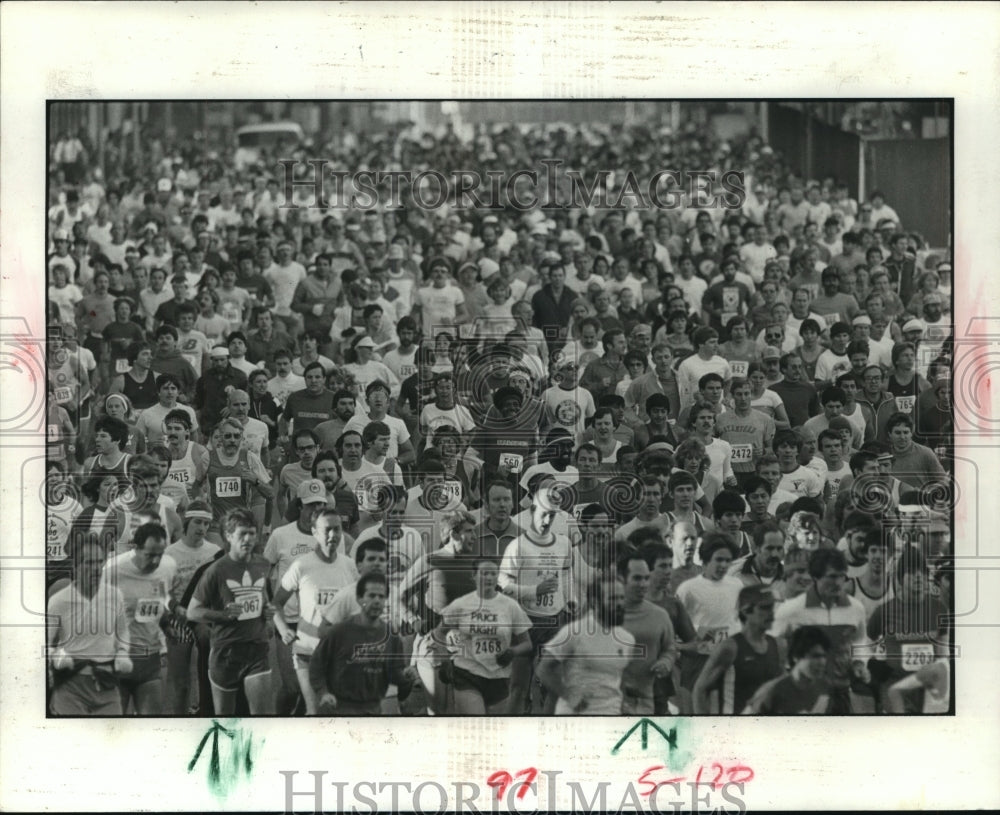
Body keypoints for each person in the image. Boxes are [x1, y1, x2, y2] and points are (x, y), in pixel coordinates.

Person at [271, 507, 359, 714]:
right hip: (307, 652)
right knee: (316, 712)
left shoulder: (349, 566)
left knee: (338, 712)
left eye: (337, 529)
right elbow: (276, 603)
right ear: (314, 532)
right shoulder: (301, 566)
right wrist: (283, 629)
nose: (333, 535)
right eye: (327, 529)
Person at [187, 507, 274, 715]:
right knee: (225, 721)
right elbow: (192, 612)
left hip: (257, 649)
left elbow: (263, 596)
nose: (248, 539)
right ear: (228, 536)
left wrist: (268, 615)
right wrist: (222, 615)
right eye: (242, 534)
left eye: (252, 533)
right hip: (226, 653)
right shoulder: (215, 570)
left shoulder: (263, 564)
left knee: (261, 718)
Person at [770, 548, 870, 713]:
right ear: (815, 576)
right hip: (804, 693)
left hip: (841, 692)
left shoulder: (856, 608)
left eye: (841, 576)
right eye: (832, 576)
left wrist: (859, 662)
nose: (838, 583)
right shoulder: (792, 609)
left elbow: (860, 640)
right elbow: (771, 641)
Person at [432, 555, 534, 714]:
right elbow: (439, 633)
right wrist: (444, 660)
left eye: (493, 573)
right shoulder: (462, 604)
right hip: (467, 673)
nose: (489, 578)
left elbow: (527, 644)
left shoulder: (510, 606)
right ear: (473, 576)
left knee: (494, 727)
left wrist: (513, 651)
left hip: (499, 677)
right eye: (484, 573)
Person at [48, 533, 133, 715]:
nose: (96, 568)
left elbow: (122, 632)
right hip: (71, 686)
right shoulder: (59, 601)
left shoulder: (114, 596)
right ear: (76, 566)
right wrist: (58, 656)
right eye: (89, 562)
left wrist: (122, 652)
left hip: (106, 684)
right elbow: (45, 643)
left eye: (99, 562)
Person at [309, 573, 415, 715]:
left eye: (381, 597)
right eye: (371, 596)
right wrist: (323, 692)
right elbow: (316, 665)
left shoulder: (392, 638)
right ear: (359, 599)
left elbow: (398, 682)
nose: (377, 601)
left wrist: (407, 679)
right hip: (343, 707)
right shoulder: (339, 632)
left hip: (377, 705)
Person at [536, 571, 636, 715]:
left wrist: (625, 705)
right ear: (595, 602)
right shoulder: (574, 632)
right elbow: (543, 669)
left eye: (621, 598)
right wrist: (570, 696)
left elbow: (620, 678)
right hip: (575, 717)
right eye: (613, 598)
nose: (619, 604)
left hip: (611, 716)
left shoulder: (627, 639)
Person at [102, 522, 176, 715]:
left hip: (150, 662)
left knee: (151, 726)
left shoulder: (166, 569)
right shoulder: (112, 572)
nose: (155, 561)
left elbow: (160, 604)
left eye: (160, 555)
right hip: (117, 662)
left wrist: (168, 626)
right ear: (136, 548)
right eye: (150, 555)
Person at [163, 501, 220, 715]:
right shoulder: (170, 553)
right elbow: (162, 591)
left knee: (211, 676)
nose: (202, 528)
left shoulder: (215, 552)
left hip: (206, 618)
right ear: (187, 522)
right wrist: (175, 608)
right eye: (197, 522)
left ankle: (206, 712)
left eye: (206, 524)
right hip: (179, 618)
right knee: (181, 683)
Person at [693, 585, 784, 714]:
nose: (772, 613)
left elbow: (781, 687)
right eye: (765, 608)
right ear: (746, 611)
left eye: (772, 607)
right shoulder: (730, 648)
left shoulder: (778, 645)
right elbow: (700, 690)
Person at [618, 548, 678, 715]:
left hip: (651, 698)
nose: (643, 584)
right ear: (622, 579)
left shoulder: (660, 615)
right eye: (637, 578)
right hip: (612, 700)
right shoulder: (603, 616)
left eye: (646, 578)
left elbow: (670, 648)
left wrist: (665, 662)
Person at [744, 626, 832, 714]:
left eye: (824, 656)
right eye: (815, 656)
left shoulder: (825, 688)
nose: (822, 662)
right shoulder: (771, 690)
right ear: (796, 657)